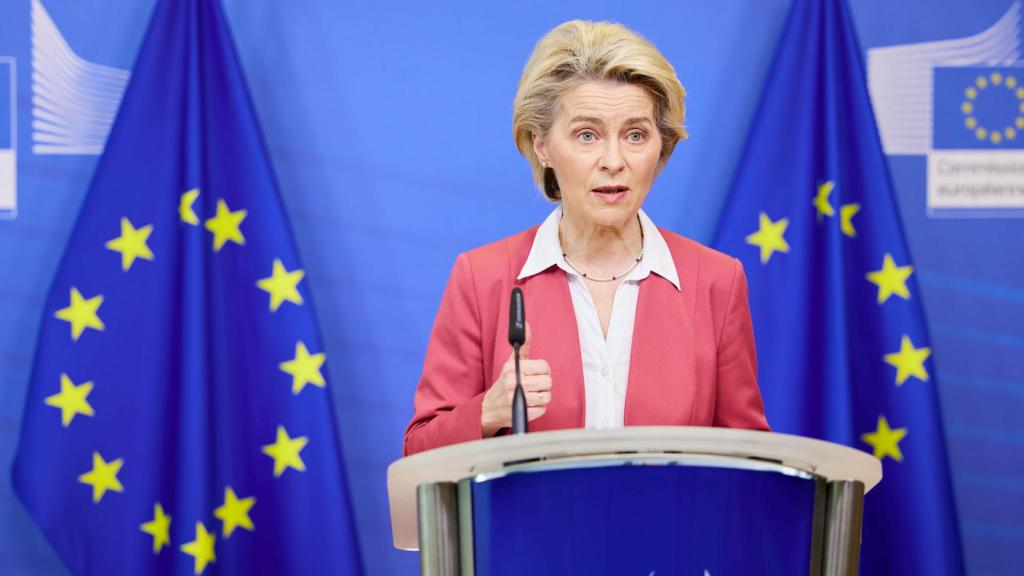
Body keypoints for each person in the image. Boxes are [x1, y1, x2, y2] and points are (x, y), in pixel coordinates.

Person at [404, 20, 768, 456]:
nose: (613, 160)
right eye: (587, 135)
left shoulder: (716, 281)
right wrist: (487, 411)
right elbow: (420, 450)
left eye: (635, 135)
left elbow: (749, 460)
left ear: (662, 147)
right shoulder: (482, 278)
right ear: (542, 145)